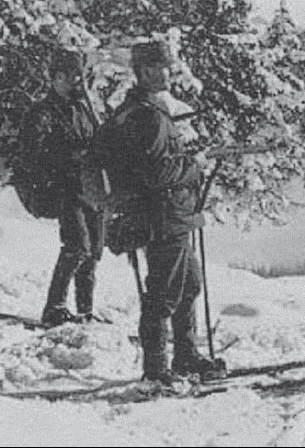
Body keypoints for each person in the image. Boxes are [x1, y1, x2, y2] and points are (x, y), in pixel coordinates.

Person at [99, 41, 220, 385]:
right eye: (164, 66)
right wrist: (194, 165)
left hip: (171, 216)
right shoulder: (148, 116)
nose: (169, 72)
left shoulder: (145, 111)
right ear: (148, 71)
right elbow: (156, 174)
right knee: (163, 295)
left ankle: (185, 356)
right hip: (163, 218)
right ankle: (155, 371)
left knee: (188, 285)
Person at [37, 49, 107, 328]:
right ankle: (54, 308)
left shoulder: (84, 109)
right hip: (66, 187)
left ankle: (85, 310)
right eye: (69, 76)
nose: (76, 81)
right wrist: (67, 158)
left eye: (79, 75)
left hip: (92, 187)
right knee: (77, 247)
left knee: (93, 252)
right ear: (55, 78)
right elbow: (33, 153)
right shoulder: (43, 112)